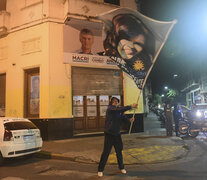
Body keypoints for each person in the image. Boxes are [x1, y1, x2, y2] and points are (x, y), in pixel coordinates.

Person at [103, 13, 155, 79]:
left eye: (138, 44)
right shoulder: (112, 56)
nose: (130, 46)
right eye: (124, 36)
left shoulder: (145, 63)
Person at [98, 97, 138, 177]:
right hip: (109, 134)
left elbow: (124, 119)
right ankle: (100, 169)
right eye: (114, 101)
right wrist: (131, 106)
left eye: (117, 102)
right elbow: (118, 110)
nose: (116, 103)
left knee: (119, 151)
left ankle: (121, 167)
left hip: (117, 134)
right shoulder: (110, 109)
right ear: (111, 103)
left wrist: (129, 120)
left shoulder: (120, 111)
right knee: (106, 152)